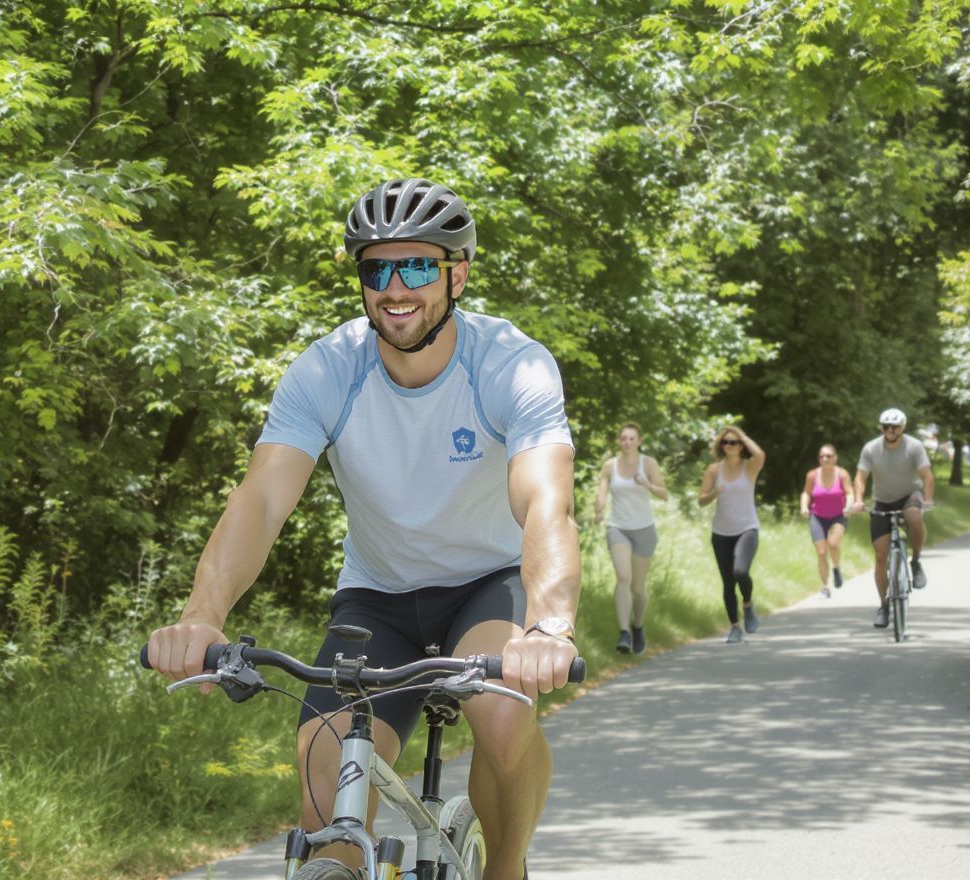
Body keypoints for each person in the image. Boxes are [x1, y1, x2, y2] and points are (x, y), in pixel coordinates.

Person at [146, 179, 580, 880]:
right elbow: (261, 499)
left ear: (456, 273)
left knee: (502, 716)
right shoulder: (328, 368)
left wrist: (550, 626)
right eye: (377, 269)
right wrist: (202, 616)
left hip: (488, 587)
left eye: (416, 266)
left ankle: (505, 868)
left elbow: (545, 503)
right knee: (324, 776)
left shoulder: (511, 363)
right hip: (378, 598)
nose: (395, 288)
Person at [848, 408, 935, 627]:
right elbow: (860, 477)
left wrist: (928, 499)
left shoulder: (914, 446)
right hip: (882, 501)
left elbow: (926, 476)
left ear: (902, 428)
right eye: (885, 426)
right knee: (880, 557)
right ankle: (884, 605)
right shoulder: (871, 448)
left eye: (894, 426)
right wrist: (858, 500)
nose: (889, 430)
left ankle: (915, 561)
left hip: (909, 496)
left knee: (914, 516)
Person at [593, 423, 668, 655]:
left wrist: (646, 484)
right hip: (618, 528)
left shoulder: (648, 464)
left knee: (638, 588)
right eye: (623, 438)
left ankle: (638, 626)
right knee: (623, 577)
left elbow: (664, 494)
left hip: (644, 530)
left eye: (631, 438)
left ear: (639, 441)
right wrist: (598, 511)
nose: (627, 442)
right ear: (619, 441)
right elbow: (602, 491)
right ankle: (624, 632)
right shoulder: (610, 466)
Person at [697, 425, 766, 644]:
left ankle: (747, 603)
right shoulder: (714, 470)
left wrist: (740, 433)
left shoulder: (750, 467)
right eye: (725, 442)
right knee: (727, 582)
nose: (729, 445)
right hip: (721, 532)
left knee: (740, 571)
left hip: (747, 528)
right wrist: (713, 494)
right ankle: (735, 627)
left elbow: (760, 453)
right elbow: (701, 500)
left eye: (733, 442)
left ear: (741, 445)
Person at [798, 444, 853, 598]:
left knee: (833, 544)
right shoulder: (812, 475)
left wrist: (849, 506)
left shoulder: (842, 474)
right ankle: (825, 586)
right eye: (822, 456)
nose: (825, 459)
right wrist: (804, 506)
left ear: (835, 458)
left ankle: (836, 568)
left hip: (838, 516)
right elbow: (806, 493)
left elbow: (849, 493)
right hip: (817, 517)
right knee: (821, 553)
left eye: (828, 456)